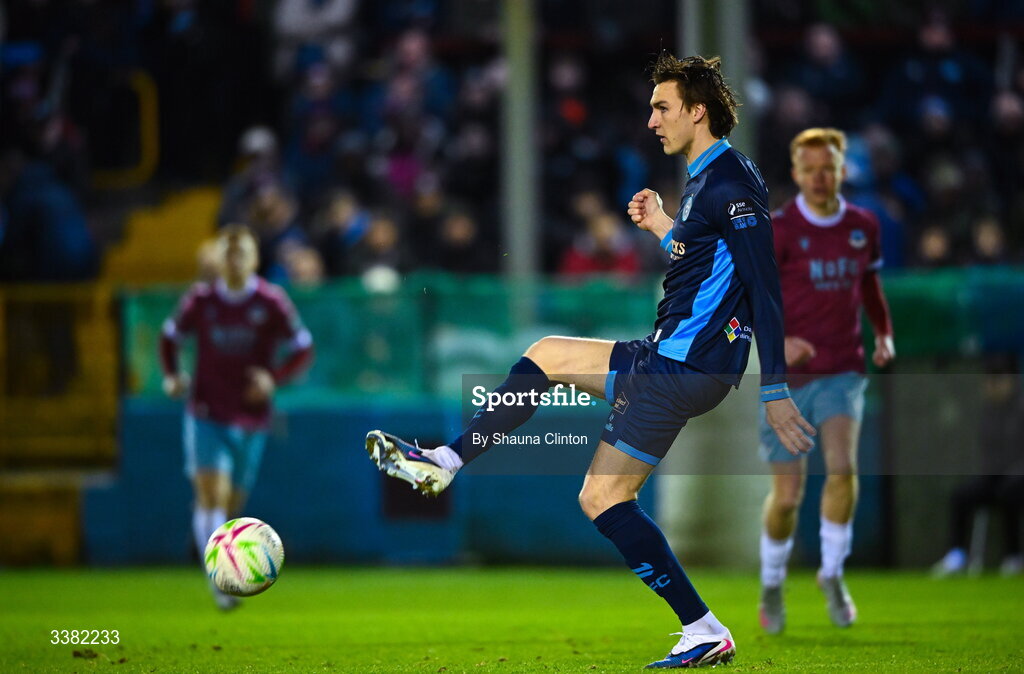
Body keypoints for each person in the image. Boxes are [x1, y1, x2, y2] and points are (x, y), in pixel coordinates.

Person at [364, 53, 814, 669]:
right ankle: (702, 628)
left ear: (696, 110)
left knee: (592, 472)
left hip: (684, 365)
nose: (652, 119)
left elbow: (763, 282)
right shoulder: (717, 177)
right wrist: (663, 228)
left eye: (662, 107)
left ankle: (445, 461)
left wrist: (776, 389)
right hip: (679, 360)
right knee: (593, 473)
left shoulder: (730, 183)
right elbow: (705, 259)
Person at [756, 128, 895, 635]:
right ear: (795, 173)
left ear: (841, 169)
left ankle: (832, 574)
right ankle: (772, 581)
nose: (819, 176)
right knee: (788, 497)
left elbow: (870, 284)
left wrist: (883, 332)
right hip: (786, 379)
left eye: (828, 167)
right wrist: (782, 340)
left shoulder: (863, 225)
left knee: (842, 469)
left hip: (842, 366)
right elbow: (751, 298)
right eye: (810, 167)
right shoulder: (778, 230)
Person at [160, 225, 314, 610]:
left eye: (241, 252)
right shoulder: (201, 299)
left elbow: (303, 348)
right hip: (207, 409)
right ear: (219, 258)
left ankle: (216, 557)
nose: (234, 260)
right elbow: (169, 337)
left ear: (255, 259)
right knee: (211, 494)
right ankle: (221, 582)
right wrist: (172, 375)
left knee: (231, 503)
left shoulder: (271, 301)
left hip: (251, 416)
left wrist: (272, 379)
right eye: (227, 253)